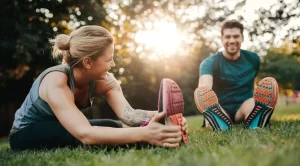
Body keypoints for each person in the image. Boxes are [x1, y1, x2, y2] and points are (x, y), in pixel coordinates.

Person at [8, 25, 188, 150]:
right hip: (27, 132)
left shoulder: (105, 81)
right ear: (88, 62)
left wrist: (165, 117)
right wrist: (145, 134)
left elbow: (130, 116)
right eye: (109, 59)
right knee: (89, 137)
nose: (114, 64)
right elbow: (85, 134)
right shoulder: (56, 81)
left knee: (113, 126)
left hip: (61, 127)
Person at [194, 20, 278, 131]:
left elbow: (253, 82)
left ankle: (256, 119)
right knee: (213, 106)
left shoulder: (253, 59)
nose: (232, 40)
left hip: (244, 105)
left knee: (253, 104)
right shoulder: (209, 62)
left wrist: (259, 98)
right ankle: (214, 118)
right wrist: (204, 98)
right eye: (228, 37)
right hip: (220, 107)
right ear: (222, 39)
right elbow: (204, 88)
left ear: (242, 38)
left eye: (236, 36)